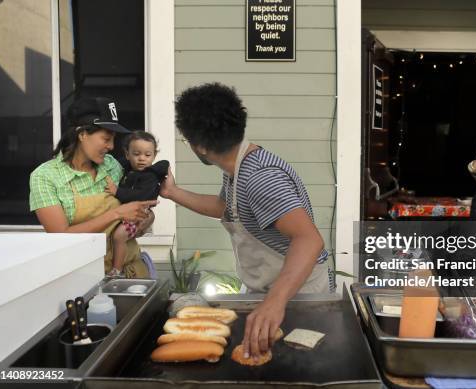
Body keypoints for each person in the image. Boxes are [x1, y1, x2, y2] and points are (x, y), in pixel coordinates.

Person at [160, 83, 333, 360]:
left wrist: (274, 302)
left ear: (201, 146)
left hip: (297, 294)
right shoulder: (237, 169)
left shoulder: (259, 176)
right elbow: (224, 208)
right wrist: (173, 193)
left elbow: (309, 239)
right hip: (271, 288)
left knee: (296, 365)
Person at [29, 97, 157, 278]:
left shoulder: (112, 165)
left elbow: (134, 206)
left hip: (132, 275)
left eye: (113, 140)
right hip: (82, 281)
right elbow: (61, 237)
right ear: (82, 134)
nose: (111, 147)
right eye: (106, 139)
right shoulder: (45, 177)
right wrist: (117, 213)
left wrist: (147, 217)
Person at [104, 131, 169, 277]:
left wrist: (117, 191)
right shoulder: (127, 170)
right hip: (126, 212)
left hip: (140, 213)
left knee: (119, 236)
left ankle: (117, 269)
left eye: (147, 155)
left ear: (154, 156)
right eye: (136, 154)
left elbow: (141, 196)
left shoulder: (150, 176)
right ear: (127, 155)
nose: (141, 159)